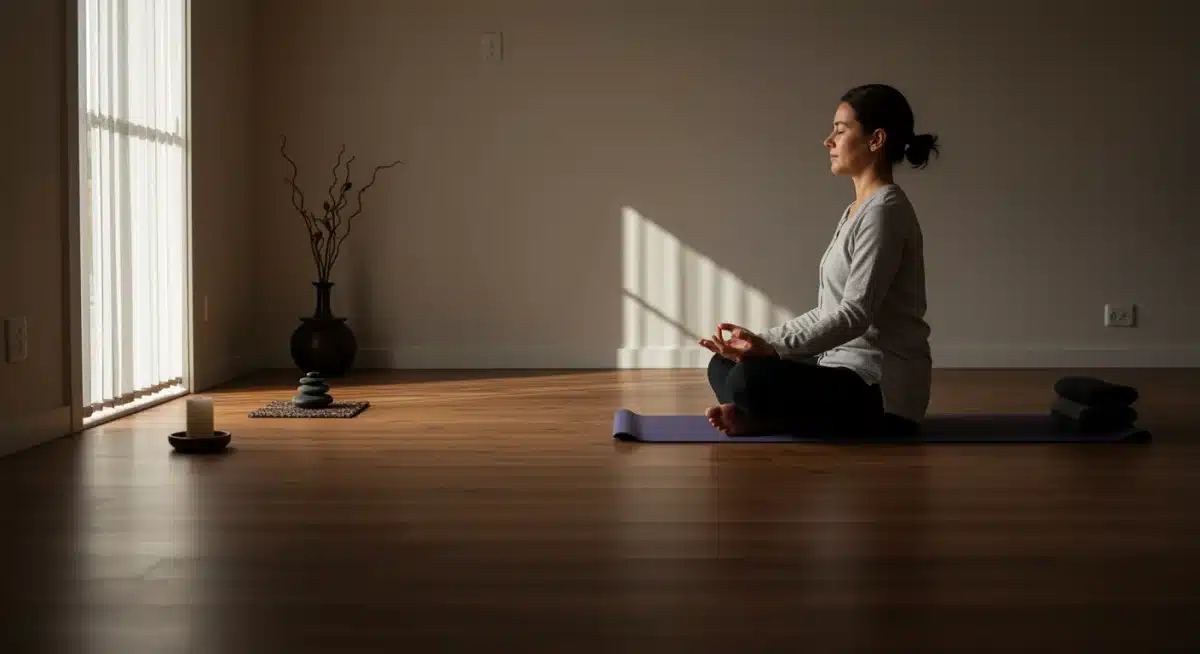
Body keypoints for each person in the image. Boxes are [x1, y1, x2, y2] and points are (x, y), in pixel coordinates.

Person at [700, 83, 937, 437]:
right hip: (838, 368)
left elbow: (855, 316)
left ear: (876, 140)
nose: (829, 141)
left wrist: (770, 351)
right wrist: (758, 343)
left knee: (750, 378)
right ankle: (763, 415)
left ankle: (763, 416)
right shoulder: (857, 211)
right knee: (724, 365)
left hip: (880, 391)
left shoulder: (885, 213)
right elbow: (828, 310)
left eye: (840, 131)